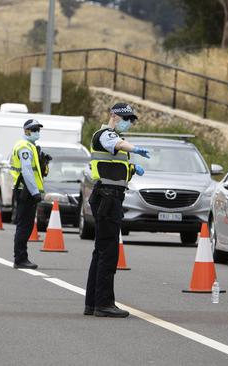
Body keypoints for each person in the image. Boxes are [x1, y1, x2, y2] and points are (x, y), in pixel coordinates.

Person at [84, 103, 150, 318]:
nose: (129, 122)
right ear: (113, 115)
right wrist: (135, 149)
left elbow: (112, 165)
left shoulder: (110, 136)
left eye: (131, 119)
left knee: (101, 250)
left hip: (109, 195)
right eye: (126, 118)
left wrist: (132, 167)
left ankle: (93, 303)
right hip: (107, 197)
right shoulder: (106, 134)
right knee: (108, 251)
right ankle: (103, 304)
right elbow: (119, 145)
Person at [10, 119, 46, 269]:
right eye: (34, 129)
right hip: (25, 191)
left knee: (26, 225)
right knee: (24, 226)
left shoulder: (30, 146)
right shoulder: (24, 147)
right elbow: (27, 172)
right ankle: (20, 259)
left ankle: (21, 257)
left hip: (25, 190)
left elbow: (35, 171)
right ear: (26, 131)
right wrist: (35, 192)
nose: (37, 132)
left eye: (38, 129)